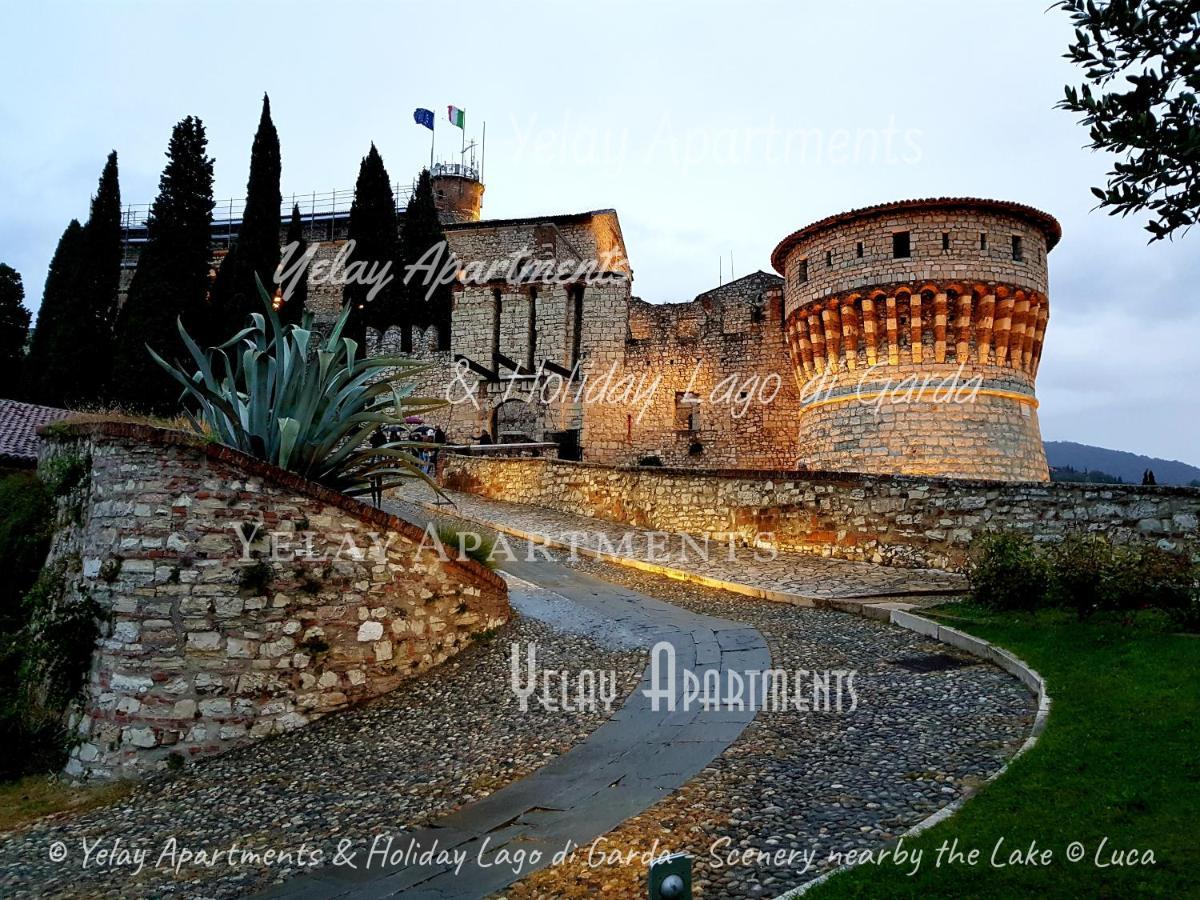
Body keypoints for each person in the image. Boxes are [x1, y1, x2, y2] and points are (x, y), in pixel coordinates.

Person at [368, 426, 386, 507]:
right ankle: (378, 502)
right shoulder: (383, 436)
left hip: (375, 454)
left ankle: (375, 501)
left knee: (373, 480)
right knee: (379, 481)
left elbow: (371, 442)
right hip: (380, 454)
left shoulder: (375, 436)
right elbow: (385, 444)